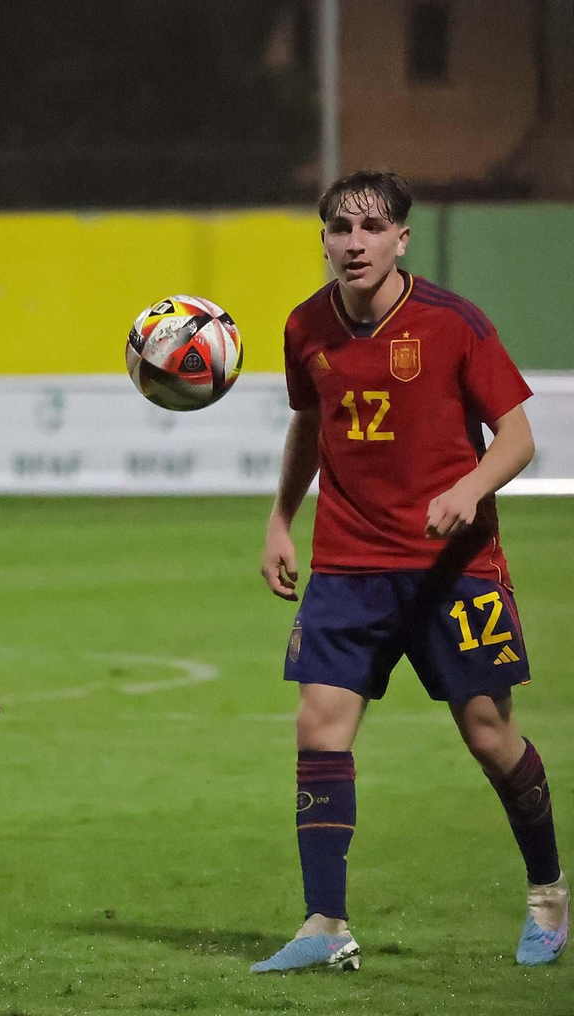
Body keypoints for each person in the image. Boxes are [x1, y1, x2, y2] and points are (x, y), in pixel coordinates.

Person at [252, 170, 566, 973]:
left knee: (491, 737)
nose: (352, 243)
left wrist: (467, 488)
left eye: (370, 227)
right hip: (348, 564)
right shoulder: (304, 328)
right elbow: (308, 428)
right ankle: (325, 924)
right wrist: (282, 520)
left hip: (453, 570)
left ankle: (548, 892)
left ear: (402, 239)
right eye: (338, 229)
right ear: (322, 239)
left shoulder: (452, 322)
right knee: (318, 725)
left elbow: (519, 439)